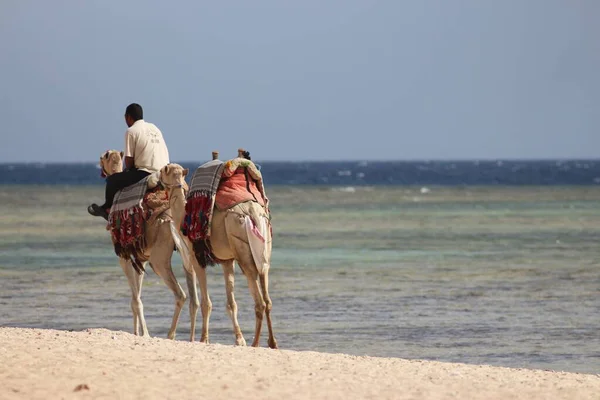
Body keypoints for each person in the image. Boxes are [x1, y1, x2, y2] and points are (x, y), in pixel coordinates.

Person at [88, 103, 170, 220]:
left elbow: (129, 161)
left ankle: (107, 208)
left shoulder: (131, 131)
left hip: (146, 173)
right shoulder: (154, 128)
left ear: (128, 117)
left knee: (112, 180)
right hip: (163, 171)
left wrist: (126, 171)